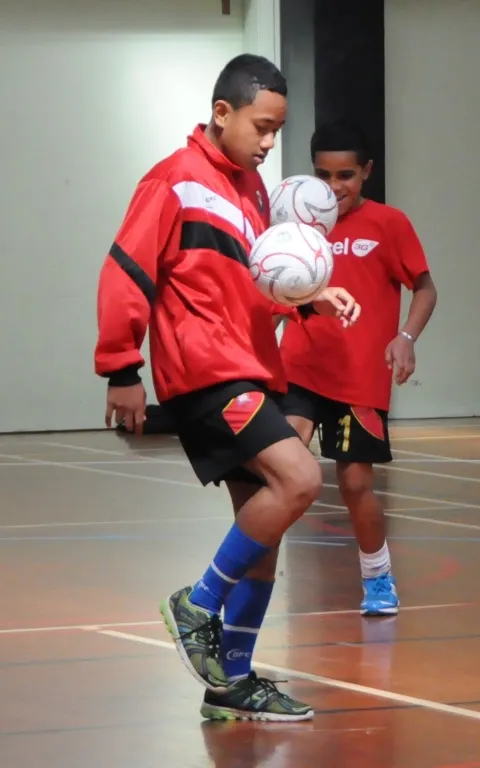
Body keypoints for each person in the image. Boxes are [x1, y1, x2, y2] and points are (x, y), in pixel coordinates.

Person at [94, 54, 360, 721]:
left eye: (277, 131)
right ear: (223, 113)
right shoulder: (172, 182)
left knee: (265, 536)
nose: (270, 143)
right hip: (206, 373)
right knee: (299, 479)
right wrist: (121, 368)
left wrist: (307, 299)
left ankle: (230, 683)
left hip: (248, 366)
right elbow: (125, 270)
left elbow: (250, 287)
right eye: (262, 127)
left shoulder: (249, 194)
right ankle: (197, 604)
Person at [279, 119, 437, 616]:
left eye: (345, 175)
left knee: (355, 484)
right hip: (300, 368)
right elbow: (277, 288)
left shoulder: (390, 224)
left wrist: (405, 338)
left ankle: (378, 576)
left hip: (359, 378)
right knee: (281, 473)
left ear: (366, 172)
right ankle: (246, 571)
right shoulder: (298, 226)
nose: (333, 188)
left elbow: (426, 288)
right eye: (323, 175)